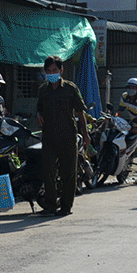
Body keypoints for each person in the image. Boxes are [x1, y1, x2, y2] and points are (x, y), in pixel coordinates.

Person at [34, 55, 90, 217]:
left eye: (54, 70)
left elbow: (80, 111)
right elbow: (39, 109)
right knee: (48, 170)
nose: (51, 73)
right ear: (45, 72)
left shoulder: (71, 88)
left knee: (68, 173)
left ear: (61, 71)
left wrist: (85, 134)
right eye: (49, 71)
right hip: (49, 137)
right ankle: (50, 205)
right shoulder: (43, 90)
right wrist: (38, 115)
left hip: (68, 137)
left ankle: (66, 206)